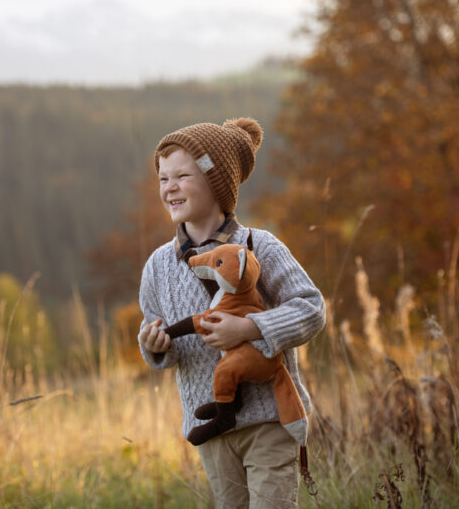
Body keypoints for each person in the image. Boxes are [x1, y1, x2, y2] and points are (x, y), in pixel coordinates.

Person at [137, 117, 326, 508]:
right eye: (163, 178)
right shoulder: (157, 266)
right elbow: (162, 339)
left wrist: (249, 327)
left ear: (215, 182)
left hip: (269, 420)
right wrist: (153, 346)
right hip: (211, 428)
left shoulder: (260, 245)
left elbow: (311, 307)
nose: (169, 187)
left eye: (182, 176)